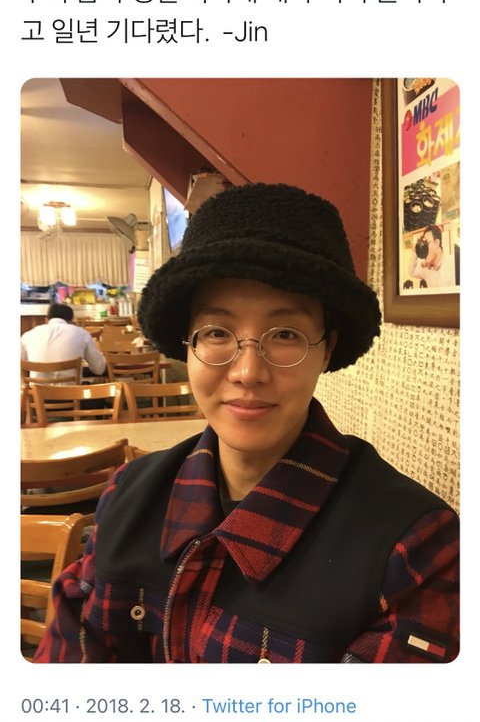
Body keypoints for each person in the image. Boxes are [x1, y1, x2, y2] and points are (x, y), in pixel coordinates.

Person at [33, 183, 459, 664]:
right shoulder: (127, 495)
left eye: (285, 334)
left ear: (327, 350)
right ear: (188, 345)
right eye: (217, 332)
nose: (248, 372)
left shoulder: (416, 547)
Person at [21, 303, 106, 379]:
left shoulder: (28, 335)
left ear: (46, 319)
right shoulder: (82, 333)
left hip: (37, 390)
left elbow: (22, 364)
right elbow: (99, 369)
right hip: (71, 391)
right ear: (71, 320)